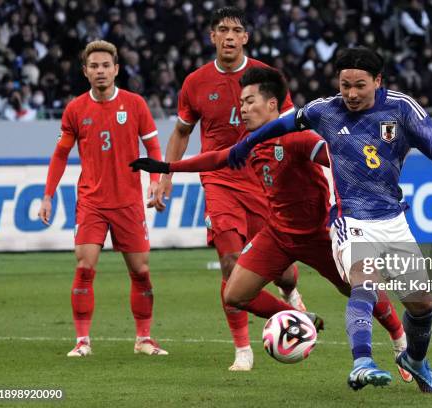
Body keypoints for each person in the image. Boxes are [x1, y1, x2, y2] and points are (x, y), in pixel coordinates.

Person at [227, 47, 432, 392]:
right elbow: (284, 123)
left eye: (359, 85)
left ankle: (415, 360)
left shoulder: (402, 109)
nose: (350, 93)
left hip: (392, 219)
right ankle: (362, 361)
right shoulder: (325, 111)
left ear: (378, 81)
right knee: (363, 281)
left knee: (422, 305)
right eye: (344, 84)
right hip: (349, 218)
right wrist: (247, 143)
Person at [131, 67, 413, 382]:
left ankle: (400, 340)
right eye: (241, 102)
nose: (243, 108)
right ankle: (296, 317)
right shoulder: (252, 141)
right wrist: (167, 166)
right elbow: (217, 158)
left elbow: (335, 157)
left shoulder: (297, 137)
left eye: (250, 101)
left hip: (319, 236)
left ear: (272, 105)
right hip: (277, 234)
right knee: (234, 294)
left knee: (360, 289)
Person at [148, 7, 303, 371]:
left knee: (282, 270)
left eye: (236, 30)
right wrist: (166, 176)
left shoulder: (268, 78)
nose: (229, 36)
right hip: (220, 182)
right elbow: (183, 132)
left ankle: (290, 292)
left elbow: (291, 125)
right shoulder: (195, 82)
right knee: (230, 265)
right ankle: (242, 349)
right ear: (212, 37)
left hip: (266, 181)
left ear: (246, 37)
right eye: (222, 30)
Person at [37, 40, 167, 357]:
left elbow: (152, 149)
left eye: (106, 65)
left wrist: (155, 180)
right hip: (92, 202)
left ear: (116, 69)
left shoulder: (135, 105)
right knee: (84, 267)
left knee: (141, 272)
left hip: (128, 202)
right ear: (85, 71)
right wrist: (48, 195)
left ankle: (143, 339)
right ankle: (82, 341)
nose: (100, 71)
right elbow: (60, 155)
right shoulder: (75, 109)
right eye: (94, 66)